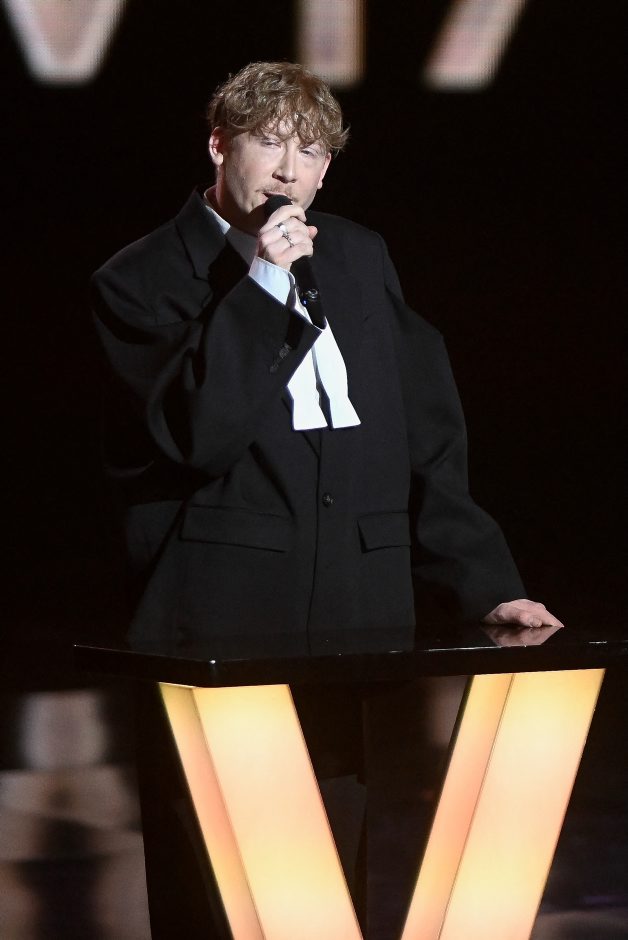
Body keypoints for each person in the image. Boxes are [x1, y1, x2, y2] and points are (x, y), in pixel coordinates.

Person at [91, 61, 563, 934]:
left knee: (328, 875)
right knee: (220, 879)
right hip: (220, 618)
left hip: (353, 605)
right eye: (269, 144)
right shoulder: (142, 277)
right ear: (219, 145)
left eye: (309, 153)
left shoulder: (356, 253)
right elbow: (195, 435)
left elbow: (426, 430)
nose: (287, 171)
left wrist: (486, 582)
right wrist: (262, 288)